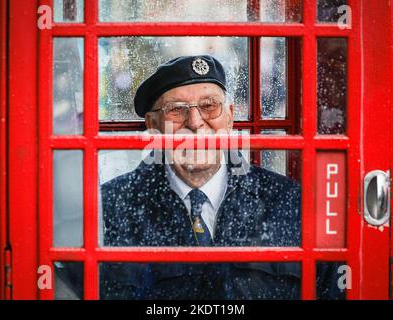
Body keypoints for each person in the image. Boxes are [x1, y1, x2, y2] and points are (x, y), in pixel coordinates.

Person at [99, 55, 344, 300]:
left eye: (209, 106)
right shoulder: (110, 206)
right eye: (176, 110)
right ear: (153, 125)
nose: (195, 123)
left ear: (229, 116)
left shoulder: (288, 201)